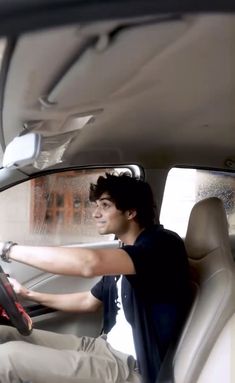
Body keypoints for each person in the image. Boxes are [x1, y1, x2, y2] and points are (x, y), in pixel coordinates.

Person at [0, 173, 192, 383]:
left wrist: (7, 250)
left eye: (105, 205)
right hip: (104, 347)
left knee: (7, 358)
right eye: (97, 205)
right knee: (5, 334)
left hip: (132, 368)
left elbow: (88, 263)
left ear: (131, 212)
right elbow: (89, 301)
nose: (95, 213)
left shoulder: (162, 245)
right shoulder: (125, 251)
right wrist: (27, 293)